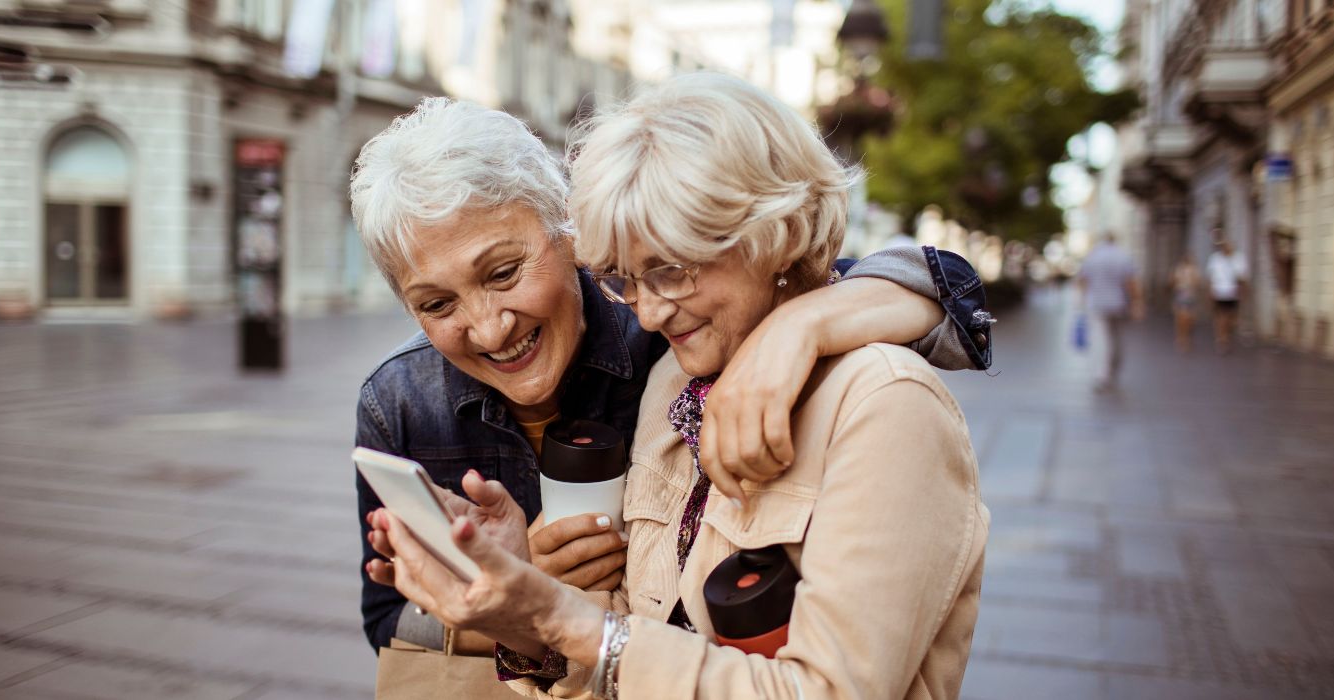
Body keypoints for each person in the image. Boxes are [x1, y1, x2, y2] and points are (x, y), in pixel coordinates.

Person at [368, 72, 989, 699]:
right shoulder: (676, 377)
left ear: (773, 233)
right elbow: (633, 642)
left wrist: (558, 613)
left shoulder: (885, 404)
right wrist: (524, 597)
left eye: (669, 272)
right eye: (624, 280)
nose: (647, 314)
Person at [1077, 232, 1141, 391]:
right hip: (1118, 303)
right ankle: (1114, 369)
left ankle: (1102, 374)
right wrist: (1137, 303)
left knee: (1101, 339)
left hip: (1097, 303)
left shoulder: (1092, 257)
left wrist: (1082, 300)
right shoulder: (1123, 256)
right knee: (1117, 337)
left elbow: (1082, 280)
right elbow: (1131, 282)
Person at [1206, 237, 1247, 354]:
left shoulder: (1238, 258)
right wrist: (1210, 291)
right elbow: (1210, 276)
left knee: (1232, 319)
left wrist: (1243, 291)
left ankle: (1226, 336)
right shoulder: (1215, 259)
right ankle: (1221, 339)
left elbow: (1242, 277)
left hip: (1233, 293)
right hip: (1219, 292)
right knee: (1221, 316)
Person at [1170, 253, 1202, 352]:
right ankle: (1181, 336)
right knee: (1181, 317)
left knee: (1190, 318)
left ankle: (1187, 335)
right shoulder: (1178, 269)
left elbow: (1197, 283)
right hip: (1181, 294)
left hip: (1191, 295)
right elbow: (1172, 282)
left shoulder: (1194, 269)